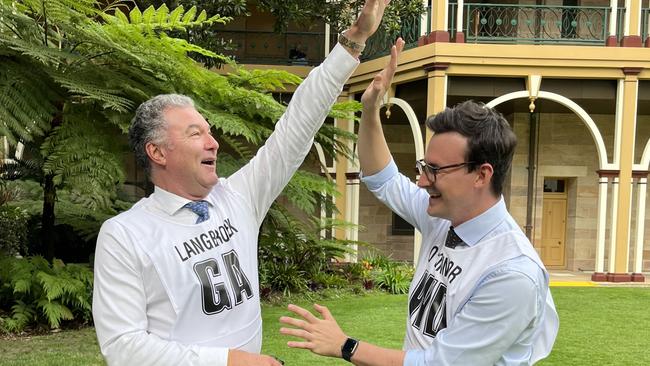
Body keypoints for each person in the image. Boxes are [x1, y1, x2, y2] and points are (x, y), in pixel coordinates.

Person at [91, 1, 391, 365]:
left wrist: (353, 41)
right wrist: (229, 361)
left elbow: (295, 128)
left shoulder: (236, 198)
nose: (213, 141)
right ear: (158, 152)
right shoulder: (125, 235)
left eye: (210, 131)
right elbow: (124, 347)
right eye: (195, 133)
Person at [279, 40, 559, 365]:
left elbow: (438, 364)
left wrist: (346, 346)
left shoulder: (511, 275)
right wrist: (370, 109)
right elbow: (382, 178)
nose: (423, 181)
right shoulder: (444, 217)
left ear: (481, 175)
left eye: (435, 170)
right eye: (424, 168)